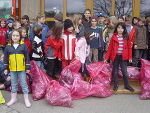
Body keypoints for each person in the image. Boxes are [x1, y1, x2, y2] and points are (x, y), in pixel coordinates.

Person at [4, 29, 31, 107]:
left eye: (17, 35)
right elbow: (6, 59)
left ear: (20, 36)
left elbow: (27, 57)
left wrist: (27, 67)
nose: (15, 37)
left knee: (24, 84)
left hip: (21, 69)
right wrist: (6, 68)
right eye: (13, 35)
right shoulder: (8, 47)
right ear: (11, 36)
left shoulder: (23, 46)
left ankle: (26, 99)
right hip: (12, 69)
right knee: (14, 84)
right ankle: (13, 99)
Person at [104, 22, 134, 92]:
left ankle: (127, 85)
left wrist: (130, 57)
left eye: (122, 28)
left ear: (124, 29)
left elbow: (129, 48)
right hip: (115, 57)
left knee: (125, 72)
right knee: (115, 72)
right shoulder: (114, 37)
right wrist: (106, 58)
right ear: (116, 28)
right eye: (118, 28)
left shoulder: (126, 37)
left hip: (123, 57)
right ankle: (116, 85)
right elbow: (110, 48)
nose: (120, 29)